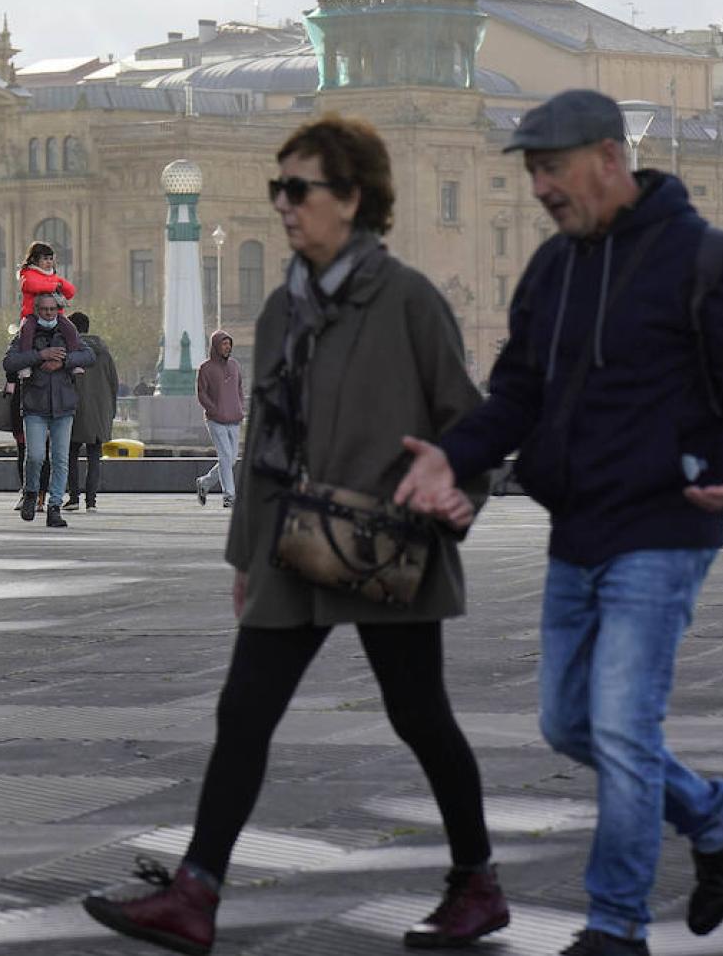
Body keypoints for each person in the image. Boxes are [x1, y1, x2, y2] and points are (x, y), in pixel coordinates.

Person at [84, 113, 504, 955]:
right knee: (244, 713)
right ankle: (195, 895)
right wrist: (246, 556)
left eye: (298, 188)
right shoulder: (281, 307)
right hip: (289, 543)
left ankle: (477, 884)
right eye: (279, 188)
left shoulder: (410, 301)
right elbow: (269, 442)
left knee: (420, 715)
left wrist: (458, 492)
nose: (282, 203)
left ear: (351, 199)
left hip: (386, 538)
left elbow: (469, 424)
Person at [396, 89, 723, 956]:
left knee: (621, 726)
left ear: (610, 159)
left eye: (551, 168)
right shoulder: (551, 271)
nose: (539, 186)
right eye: (532, 170)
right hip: (577, 527)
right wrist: (450, 457)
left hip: (667, 522)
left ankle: (615, 927)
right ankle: (719, 818)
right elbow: (518, 398)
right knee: (569, 725)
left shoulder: (702, 256)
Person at [3, 292, 94, 527]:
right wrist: (39, 356)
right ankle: (31, 492)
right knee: (35, 456)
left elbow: (88, 355)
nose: (49, 313)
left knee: (60, 459)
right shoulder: (26, 334)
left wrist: (63, 362)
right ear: (36, 310)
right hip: (35, 405)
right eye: (44, 310)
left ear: (58, 310)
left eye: (53, 309)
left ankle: (54, 506)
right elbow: (9, 362)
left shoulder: (68, 332)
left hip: (63, 406)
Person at [64, 311, 119, 511]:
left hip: (76, 410)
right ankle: (91, 501)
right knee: (94, 456)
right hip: (100, 412)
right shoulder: (104, 353)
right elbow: (114, 383)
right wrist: (110, 411)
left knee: (70, 454)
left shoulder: (72, 351)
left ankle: (74, 498)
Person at [194, 331, 244, 508]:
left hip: (234, 418)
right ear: (216, 346)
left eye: (229, 344)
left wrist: (240, 407)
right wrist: (213, 410)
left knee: (231, 459)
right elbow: (201, 394)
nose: (227, 347)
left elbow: (239, 390)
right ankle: (229, 496)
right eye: (224, 344)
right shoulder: (205, 369)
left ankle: (205, 483)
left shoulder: (235, 366)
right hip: (216, 420)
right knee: (224, 456)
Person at [17, 240, 76, 318]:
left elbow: (70, 292)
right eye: (45, 259)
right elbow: (33, 285)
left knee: (70, 328)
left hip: (55, 316)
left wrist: (62, 287)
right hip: (33, 315)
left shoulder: (54, 277)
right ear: (34, 260)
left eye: (51, 259)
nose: (49, 262)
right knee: (28, 329)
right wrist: (54, 287)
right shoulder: (28, 274)